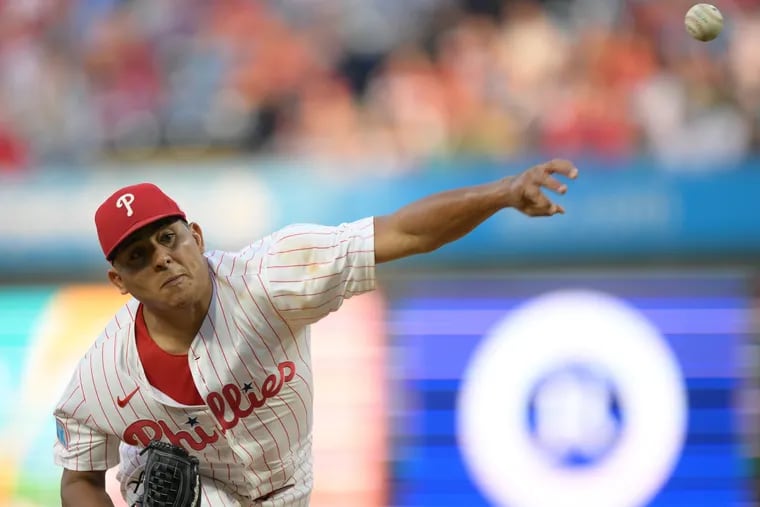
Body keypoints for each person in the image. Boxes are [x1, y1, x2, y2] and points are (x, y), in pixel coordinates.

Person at [53, 159, 578, 506]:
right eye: (140, 257)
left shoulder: (271, 277)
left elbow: (404, 231)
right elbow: (79, 477)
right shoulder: (101, 379)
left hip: (289, 487)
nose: (163, 259)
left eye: (169, 239)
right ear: (119, 281)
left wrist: (503, 193)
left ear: (196, 235)